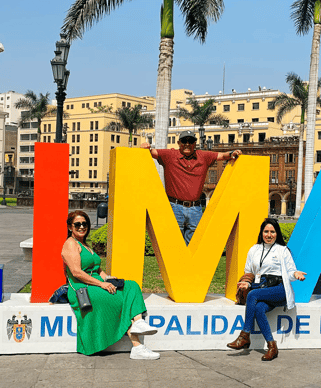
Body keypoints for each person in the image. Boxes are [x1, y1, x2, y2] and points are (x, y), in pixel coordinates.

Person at [61, 210, 160, 359]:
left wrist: (107, 278)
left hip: (96, 283)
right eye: (77, 224)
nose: (82, 227)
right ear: (70, 227)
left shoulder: (84, 244)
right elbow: (77, 273)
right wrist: (102, 285)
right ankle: (137, 346)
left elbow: (97, 269)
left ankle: (138, 322)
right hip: (84, 288)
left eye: (85, 224)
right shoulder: (70, 244)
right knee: (120, 300)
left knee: (131, 286)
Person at [227, 218, 306, 361]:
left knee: (252, 295)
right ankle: (272, 346)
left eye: (272, 232)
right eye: (266, 231)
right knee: (258, 309)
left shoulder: (283, 250)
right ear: (262, 233)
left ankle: (244, 335)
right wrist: (246, 282)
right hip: (262, 289)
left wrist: (295, 274)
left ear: (277, 234)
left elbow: (290, 271)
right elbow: (249, 271)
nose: (269, 235)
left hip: (279, 289)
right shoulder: (254, 249)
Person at [141, 130, 241, 244]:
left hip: (195, 209)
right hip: (174, 207)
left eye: (191, 141)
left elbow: (222, 155)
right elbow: (151, 152)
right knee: (174, 243)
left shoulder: (203, 156)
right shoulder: (169, 155)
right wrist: (146, 146)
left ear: (195, 143)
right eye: (184, 141)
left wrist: (233, 152)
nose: (187, 144)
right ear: (179, 143)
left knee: (194, 245)